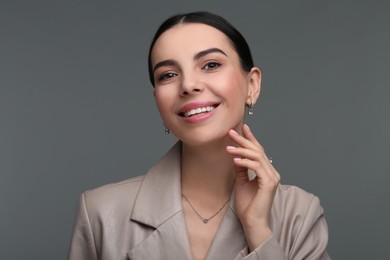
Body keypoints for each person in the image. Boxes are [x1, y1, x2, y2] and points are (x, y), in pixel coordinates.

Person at [68, 11, 330, 260]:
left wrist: (259, 231)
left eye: (211, 64)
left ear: (252, 85)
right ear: (158, 101)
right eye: (168, 75)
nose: (188, 85)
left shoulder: (300, 214)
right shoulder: (101, 213)